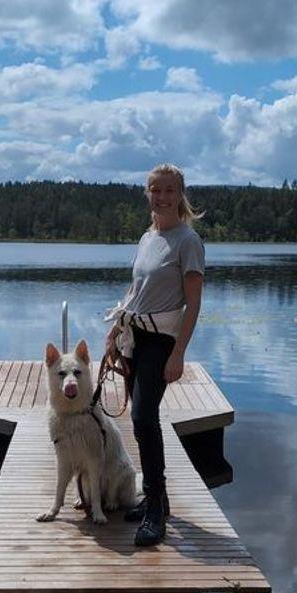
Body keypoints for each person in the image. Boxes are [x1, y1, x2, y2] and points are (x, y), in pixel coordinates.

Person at [105, 162, 205, 546]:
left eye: (168, 190)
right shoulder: (148, 237)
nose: (161, 196)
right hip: (135, 337)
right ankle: (155, 497)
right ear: (147, 193)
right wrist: (115, 332)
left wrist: (178, 354)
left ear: (180, 195)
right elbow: (134, 293)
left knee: (145, 416)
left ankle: (157, 509)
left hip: (162, 341)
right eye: (154, 189)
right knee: (139, 416)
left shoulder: (187, 241)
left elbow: (193, 305)